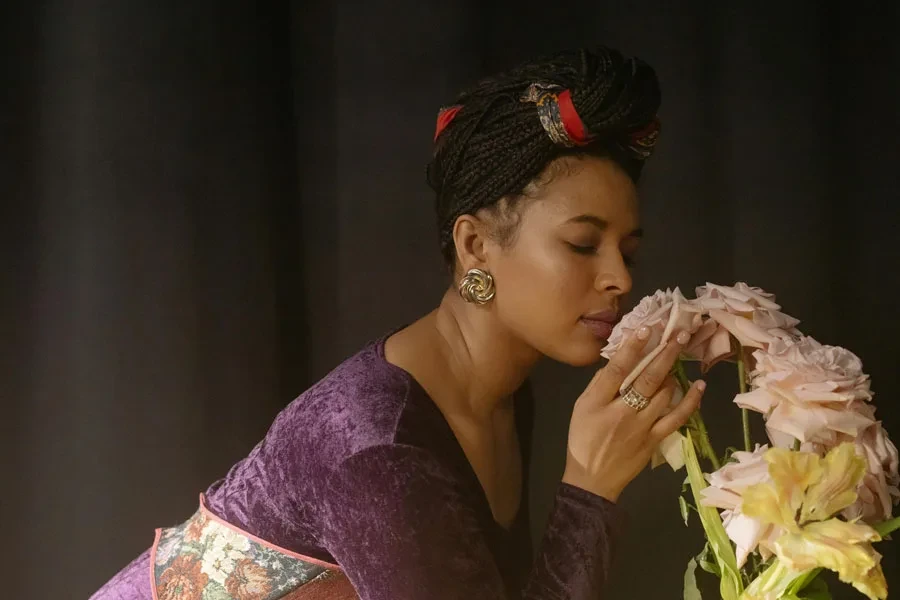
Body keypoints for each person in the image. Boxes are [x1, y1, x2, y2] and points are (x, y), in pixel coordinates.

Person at [90, 45, 705, 600]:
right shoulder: (379, 445)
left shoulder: (500, 396)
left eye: (628, 251)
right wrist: (590, 491)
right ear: (475, 246)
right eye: (581, 245)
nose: (620, 279)